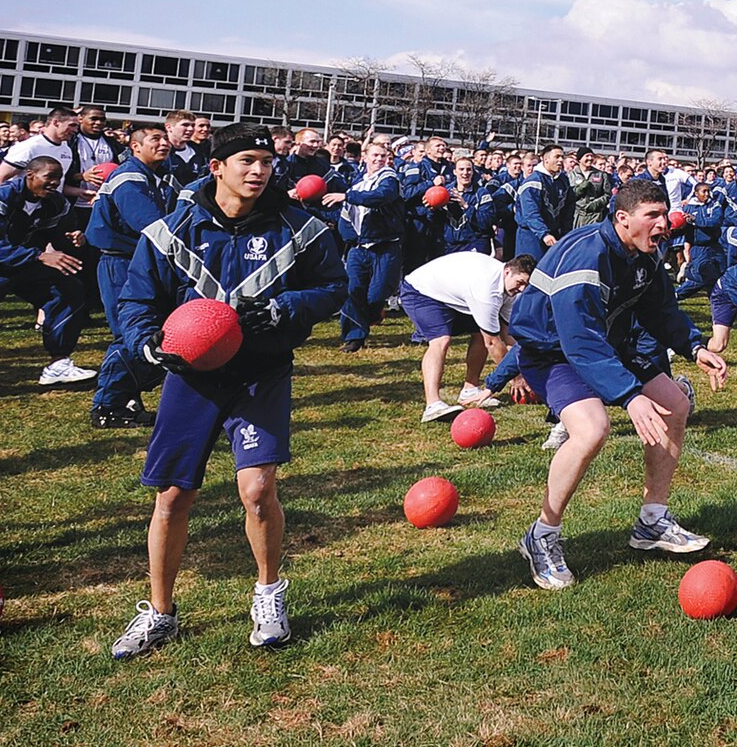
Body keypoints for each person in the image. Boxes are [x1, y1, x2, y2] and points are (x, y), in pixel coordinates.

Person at [106, 122, 347, 658]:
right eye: (246, 162)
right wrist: (147, 344)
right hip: (192, 378)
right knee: (172, 496)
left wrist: (289, 308)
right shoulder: (172, 232)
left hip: (262, 371)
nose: (259, 170)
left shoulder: (299, 228)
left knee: (258, 491)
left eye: (265, 161)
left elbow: (334, 287)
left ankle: (268, 593)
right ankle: (161, 612)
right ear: (216, 168)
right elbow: (136, 301)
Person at [507, 179, 727, 590]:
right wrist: (629, 397)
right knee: (592, 429)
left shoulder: (644, 252)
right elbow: (579, 339)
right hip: (553, 351)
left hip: (606, 341)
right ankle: (542, 535)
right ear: (623, 219)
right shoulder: (587, 253)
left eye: (665, 214)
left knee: (675, 404)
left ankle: (652, 522)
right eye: (653, 216)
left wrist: (695, 347)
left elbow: (661, 310)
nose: (664, 223)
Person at [85, 124, 181, 427]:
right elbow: (153, 226)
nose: (163, 143)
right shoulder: (130, 178)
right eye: (155, 139)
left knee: (146, 330)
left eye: (165, 139)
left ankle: (127, 397)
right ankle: (108, 405)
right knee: (130, 333)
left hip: (137, 260)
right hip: (122, 263)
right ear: (135, 146)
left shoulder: (157, 177)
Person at [0, 155, 99, 386]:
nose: (55, 183)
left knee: (68, 290)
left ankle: (58, 363)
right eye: (49, 177)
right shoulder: (0, 199)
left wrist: (74, 237)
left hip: (25, 264)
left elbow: (59, 233)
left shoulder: (57, 202)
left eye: (59, 178)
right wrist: (40, 255)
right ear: (30, 175)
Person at [402, 251, 535, 421]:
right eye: (520, 282)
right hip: (420, 291)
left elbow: (508, 335)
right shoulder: (487, 291)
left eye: (526, 285)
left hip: (454, 293)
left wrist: (524, 372)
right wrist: (515, 377)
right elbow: (493, 343)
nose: (522, 289)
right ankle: (432, 405)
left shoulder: (510, 290)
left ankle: (469, 389)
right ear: (507, 271)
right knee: (441, 341)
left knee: (481, 334)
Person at [328, 139, 403, 353]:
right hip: (359, 248)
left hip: (385, 244)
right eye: (375, 155)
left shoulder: (389, 179)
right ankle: (354, 337)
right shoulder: (357, 184)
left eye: (383, 156)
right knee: (352, 290)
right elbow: (343, 215)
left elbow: (380, 197)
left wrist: (348, 196)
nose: (379, 159)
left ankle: (373, 312)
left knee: (377, 294)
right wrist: (310, 201)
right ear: (365, 158)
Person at [514, 144, 576, 260]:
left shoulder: (563, 180)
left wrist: (566, 233)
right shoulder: (533, 182)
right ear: (546, 159)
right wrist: (544, 234)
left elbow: (569, 208)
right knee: (529, 271)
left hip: (554, 235)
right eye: (557, 157)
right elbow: (531, 213)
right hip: (532, 236)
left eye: (562, 157)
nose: (560, 160)